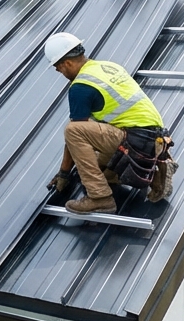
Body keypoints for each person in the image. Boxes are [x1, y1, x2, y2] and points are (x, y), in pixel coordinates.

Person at [42, 32, 176, 214]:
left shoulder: (80, 87)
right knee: (92, 168)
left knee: (73, 131)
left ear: (67, 63)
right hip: (156, 139)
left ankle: (100, 198)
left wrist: (64, 173)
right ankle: (156, 175)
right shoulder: (106, 67)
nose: (61, 74)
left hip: (136, 141)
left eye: (59, 69)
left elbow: (75, 133)